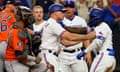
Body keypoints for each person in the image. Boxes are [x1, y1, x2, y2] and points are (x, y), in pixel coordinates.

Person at [37, 3, 96, 72]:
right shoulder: (52, 24)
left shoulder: (51, 23)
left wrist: (83, 39)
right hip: (49, 55)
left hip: (51, 55)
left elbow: (66, 42)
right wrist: (88, 36)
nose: (64, 13)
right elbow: (69, 37)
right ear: (55, 13)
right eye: (62, 12)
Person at [76, 8, 116, 72]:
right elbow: (87, 34)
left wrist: (85, 51)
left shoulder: (102, 26)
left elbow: (98, 42)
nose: (90, 19)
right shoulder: (99, 27)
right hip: (108, 57)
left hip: (103, 57)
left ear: (97, 17)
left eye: (91, 17)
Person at [5, 6, 41, 72]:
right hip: (13, 61)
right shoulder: (16, 32)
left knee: (44, 67)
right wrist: (34, 58)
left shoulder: (23, 29)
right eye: (28, 16)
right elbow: (19, 55)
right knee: (24, 70)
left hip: (23, 60)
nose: (31, 18)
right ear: (22, 17)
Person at [58, 1, 90, 72]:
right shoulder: (60, 21)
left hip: (77, 53)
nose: (68, 9)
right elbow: (64, 42)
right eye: (66, 7)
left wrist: (88, 52)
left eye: (70, 7)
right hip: (63, 55)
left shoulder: (81, 21)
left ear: (74, 9)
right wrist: (80, 39)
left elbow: (86, 38)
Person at [0, 0, 17, 72]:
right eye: (14, 5)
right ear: (7, 5)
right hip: (6, 45)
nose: (15, 7)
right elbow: (18, 27)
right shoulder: (12, 15)